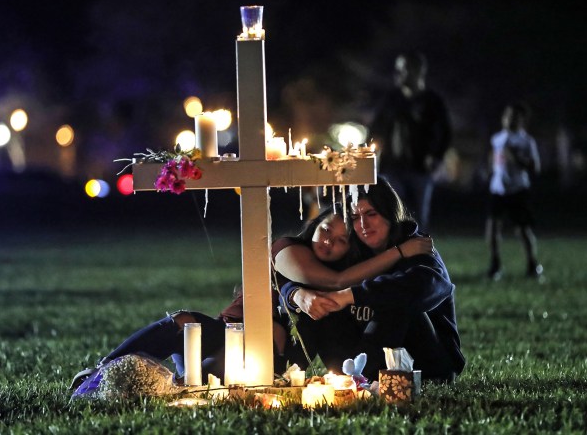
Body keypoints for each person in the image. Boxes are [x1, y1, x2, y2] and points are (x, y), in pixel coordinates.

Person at [69, 205, 432, 390]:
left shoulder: (340, 287)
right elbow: (322, 279)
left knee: (206, 380)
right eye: (325, 231)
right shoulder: (288, 249)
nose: (329, 242)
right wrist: (398, 253)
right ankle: (99, 372)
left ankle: (173, 383)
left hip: (263, 356)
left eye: (341, 241)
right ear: (314, 226)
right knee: (183, 323)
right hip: (225, 330)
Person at [280, 179, 465, 383]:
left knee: (395, 300)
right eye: (355, 217)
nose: (363, 225)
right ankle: (286, 375)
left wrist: (349, 295)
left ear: (389, 213)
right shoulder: (352, 249)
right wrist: (297, 294)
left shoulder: (415, 245)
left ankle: (359, 381)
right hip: (362, 357)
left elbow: (426, 285)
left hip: (426, 363)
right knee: (318, 302)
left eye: (371, 214)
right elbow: (300, 279)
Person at [369, 51, 452, 231]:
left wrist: (436, 156)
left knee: (419, 217)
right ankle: (395, 255)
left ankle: (419, 255)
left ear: (419, 70)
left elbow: (445, 132)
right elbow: (376, 128)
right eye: (398, 69)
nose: (398, 74)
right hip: (392, 167)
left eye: (404, 69)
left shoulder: (432, 101)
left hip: (420, 169)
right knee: (393, 213)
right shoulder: (391, 99)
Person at [485, 102, 542, 280]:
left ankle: (532, 264)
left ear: (521, 120)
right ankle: (495, 265)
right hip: (498, 189)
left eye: (514, 117)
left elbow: (535, 167)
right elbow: (493, 160)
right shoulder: (497, 139)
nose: (509, 119)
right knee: (493, 228)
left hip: (518, 190)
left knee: (523, 229)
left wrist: (517, 158)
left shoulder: (526, 141)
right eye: (507, 116)